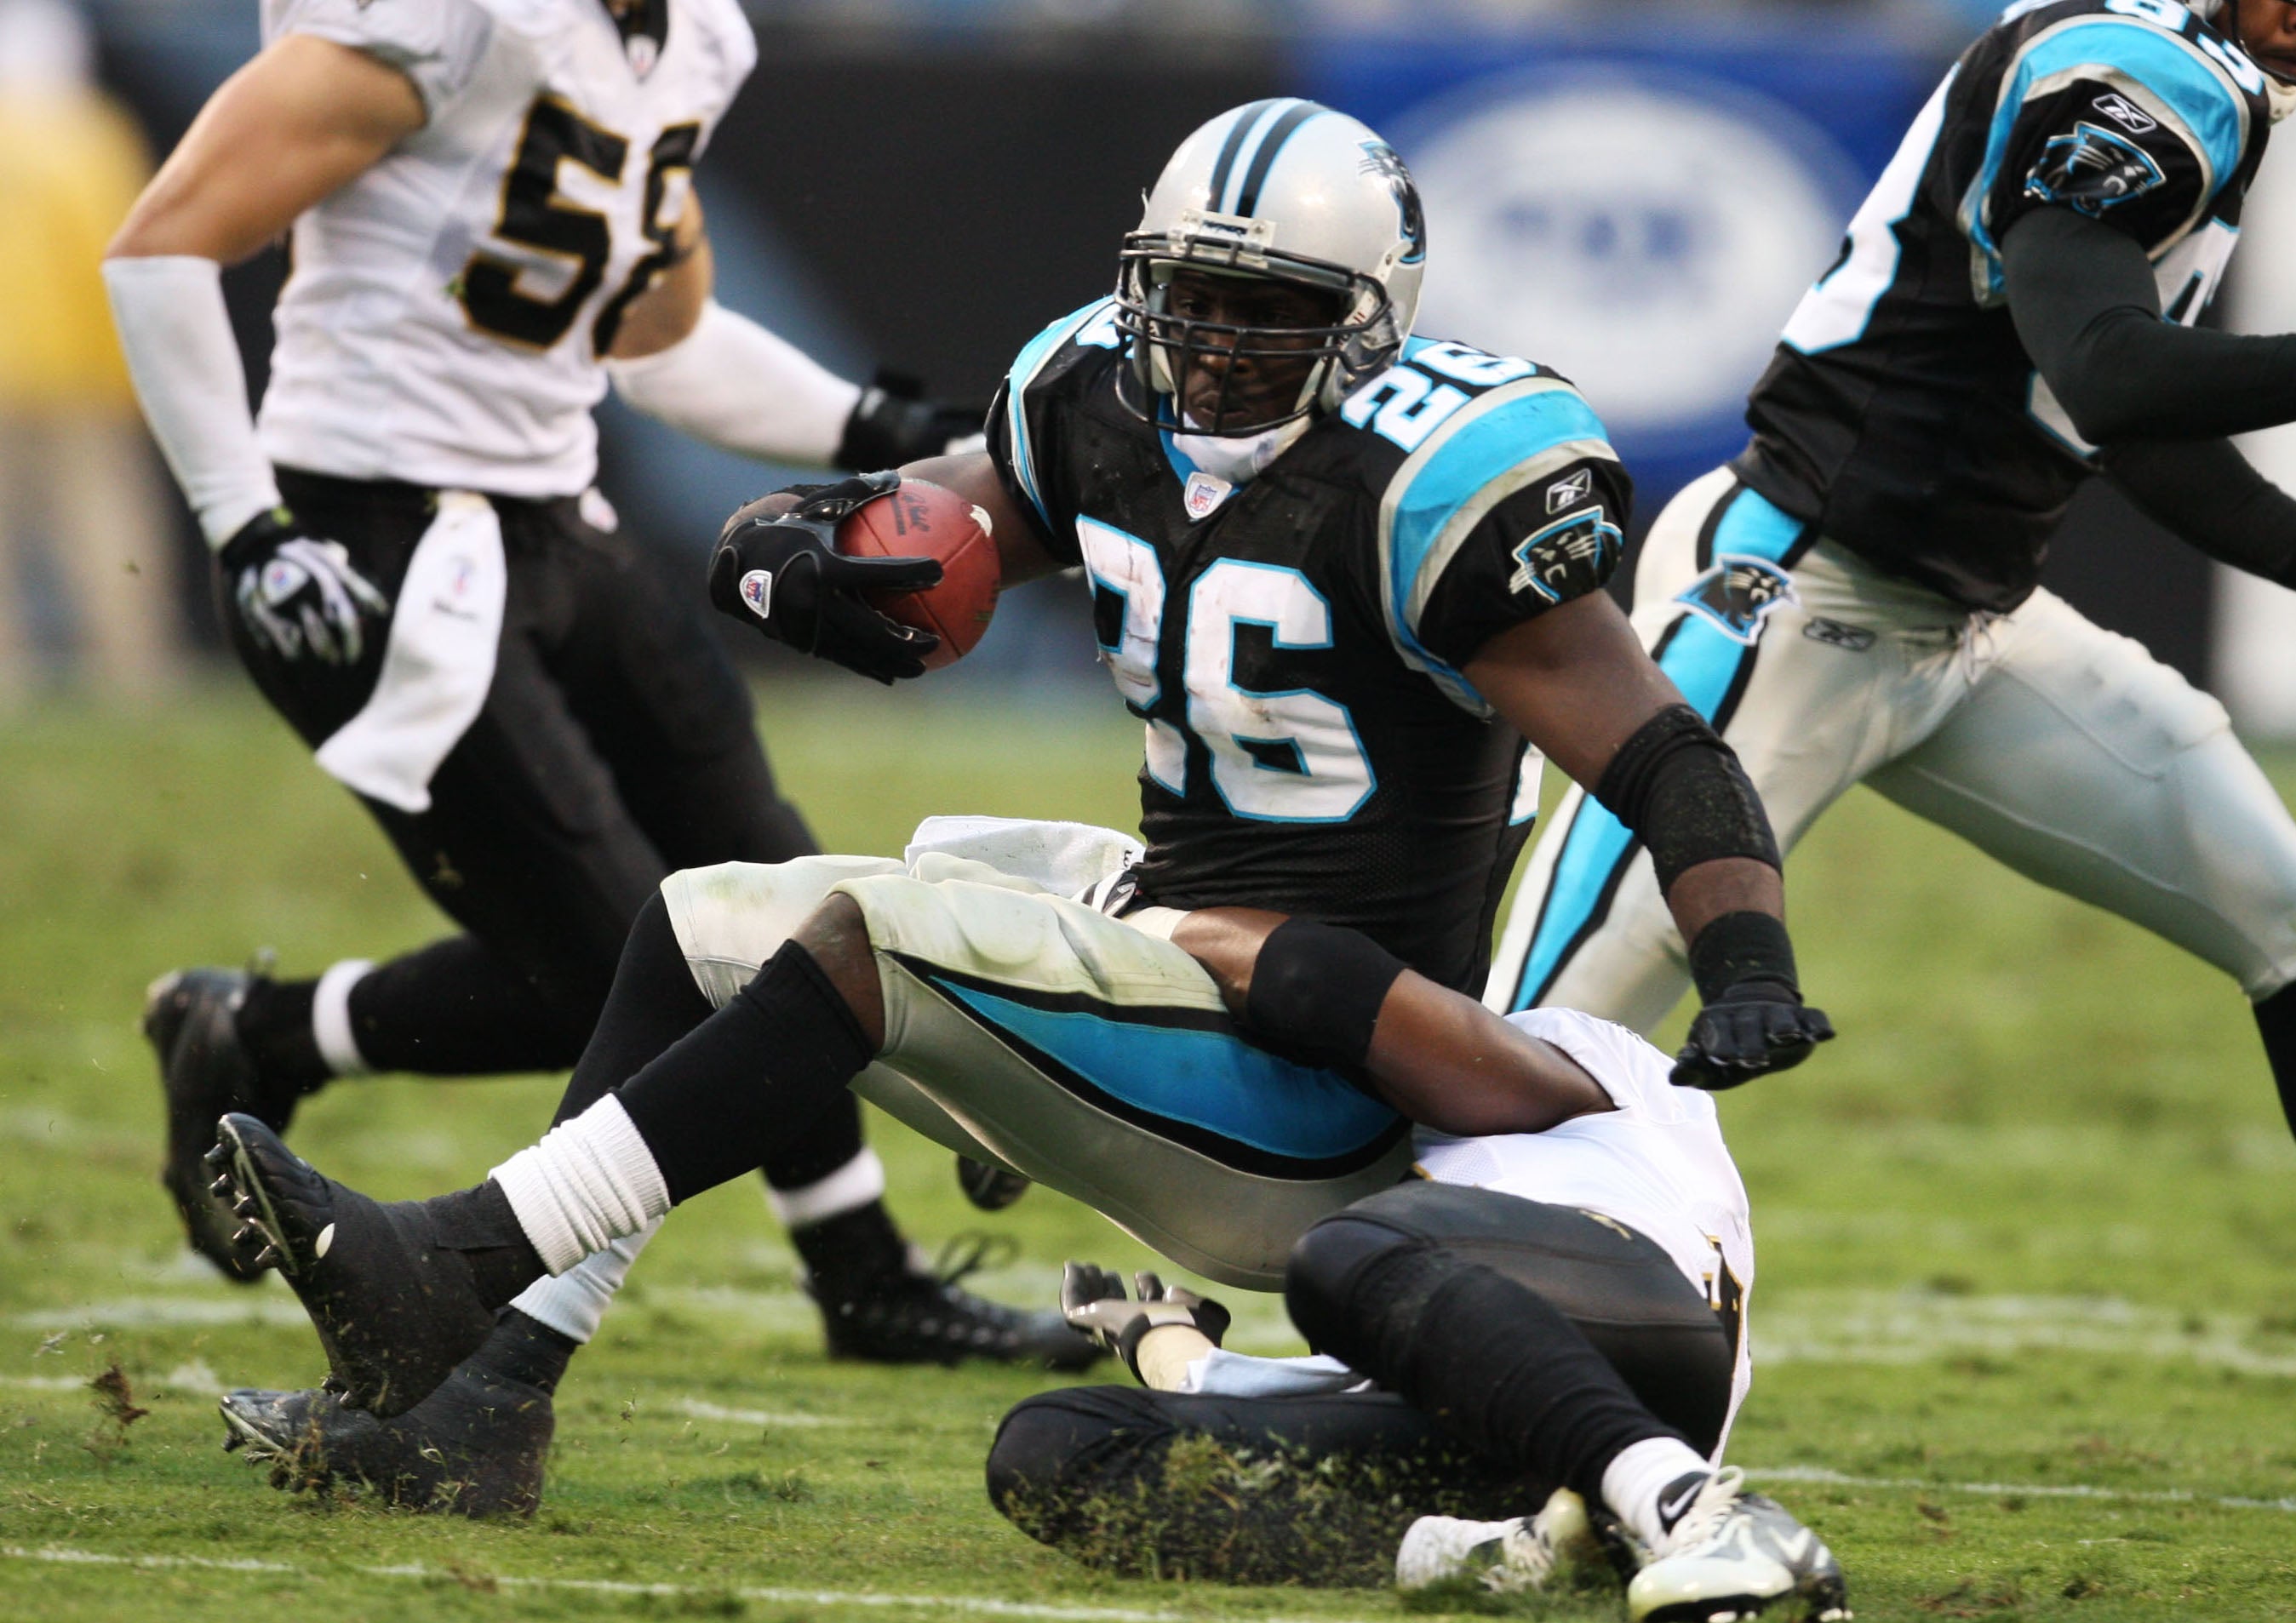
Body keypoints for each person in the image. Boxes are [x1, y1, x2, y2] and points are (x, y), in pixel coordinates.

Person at [201, 98, 1830, 1516]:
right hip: (1164, 939)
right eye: (1183, 300)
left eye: (1261, 311)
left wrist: (1745, 954)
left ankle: (459, 1257)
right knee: (702, 912)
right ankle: (486, 1400)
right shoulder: (1091, 394)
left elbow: (1664, 755)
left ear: (1369, 321)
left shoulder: (1443, 484)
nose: (1207, 344)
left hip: (1315, 1069)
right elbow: (959, 530)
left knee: (876, 941)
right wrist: (821, 547)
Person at [102, 0, 1090, 1372]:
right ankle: (370, 1171)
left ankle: (865, 1274)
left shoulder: (684, 38)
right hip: (376, 538)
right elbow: (159, 248)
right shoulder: (462, 21)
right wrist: (246, 526)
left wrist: (897, 435)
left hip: (555, 520)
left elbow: (663, 345)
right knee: (632, 965)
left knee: (775, 892)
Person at [1489, 0, 2296, 1140]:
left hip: (1970, 628)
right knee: (1520, 1042)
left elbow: (2116, 419)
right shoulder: (2141, 77)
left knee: (2284, 914)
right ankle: (1345, 1292)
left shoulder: (2209, 79)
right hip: (1793, 589)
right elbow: (2114, 374)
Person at [988, 997, 1849, 1623]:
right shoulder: (1418, 1222)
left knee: (1341, 1258)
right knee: (1053, 1442)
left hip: (1646, 1343)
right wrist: (1175, 1354)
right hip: (1527, 1437)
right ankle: (1517, 1551)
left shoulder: (1572, 1055)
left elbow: (1322, 977)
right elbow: (1446, 1358)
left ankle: (1692, 1507)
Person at [0, 0, 181, 700]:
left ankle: (11, 678)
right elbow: (124, 252)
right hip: (83, 366)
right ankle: (135, 672)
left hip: (17, 369)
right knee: (107, 528)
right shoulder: (94, 136)